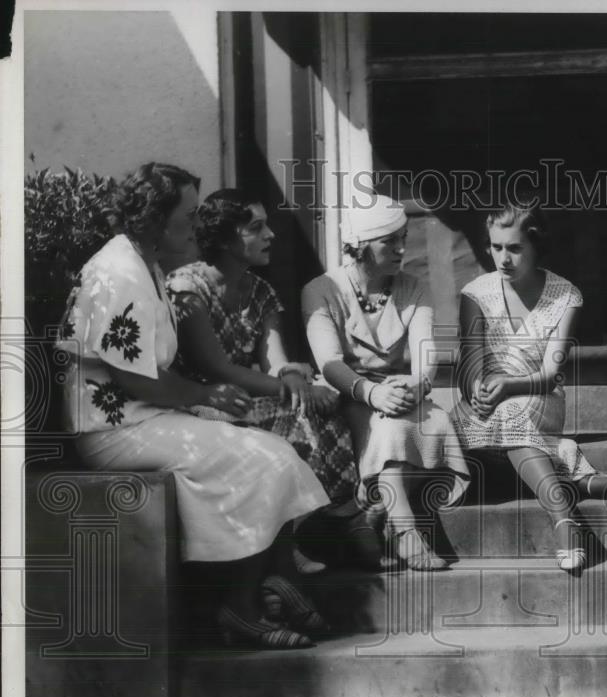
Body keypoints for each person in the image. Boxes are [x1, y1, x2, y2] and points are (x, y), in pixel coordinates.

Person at [57, 162, 333, 649]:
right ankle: (242, 608)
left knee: (268, 446)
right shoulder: (119, 271)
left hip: (145, 415)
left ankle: (268, 580)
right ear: (154, 219)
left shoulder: (146, 263)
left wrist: (205, 400)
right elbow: (133, 377)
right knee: (266, 459)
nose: (195, 224)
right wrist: (204, 395)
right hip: (113, 429)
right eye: (186, 215)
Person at [165, 189, 377, 574]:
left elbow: (274, 361)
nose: (271, 236)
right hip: (201, 401)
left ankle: (317, 521)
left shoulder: (260, 292)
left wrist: (293, 377)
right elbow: (217, 368)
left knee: (318, 407)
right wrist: (290, 384)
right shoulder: (186, 288)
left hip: (249, 394)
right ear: (226, 237)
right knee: (292, 410)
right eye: (256, 228)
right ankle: (285, 541)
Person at [451, 203, 607, 573]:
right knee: (466, 439)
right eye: (496, 247)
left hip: (540, 398)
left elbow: (550, 374)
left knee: (511, 412)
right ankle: (584, 480)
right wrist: (478, 390)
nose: (503, 258)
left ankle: (563, 519)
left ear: (536, 246)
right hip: (483, 407)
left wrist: (507, 387)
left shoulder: (566, 296)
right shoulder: (475, 293)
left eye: (514, 248)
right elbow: (470, 365)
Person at [302, 194, 470, 571]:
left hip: (400, 388)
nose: (400, 248)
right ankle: (407, 530)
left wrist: (417, 385)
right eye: (388, 241)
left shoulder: (414, 287)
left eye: (403, 237)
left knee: (435, 421)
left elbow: (427, 355)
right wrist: (372, 392)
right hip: (348, 392)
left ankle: (373, 508)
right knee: (390, 429)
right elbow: (329, 362)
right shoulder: (320, 291)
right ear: (359, 247)